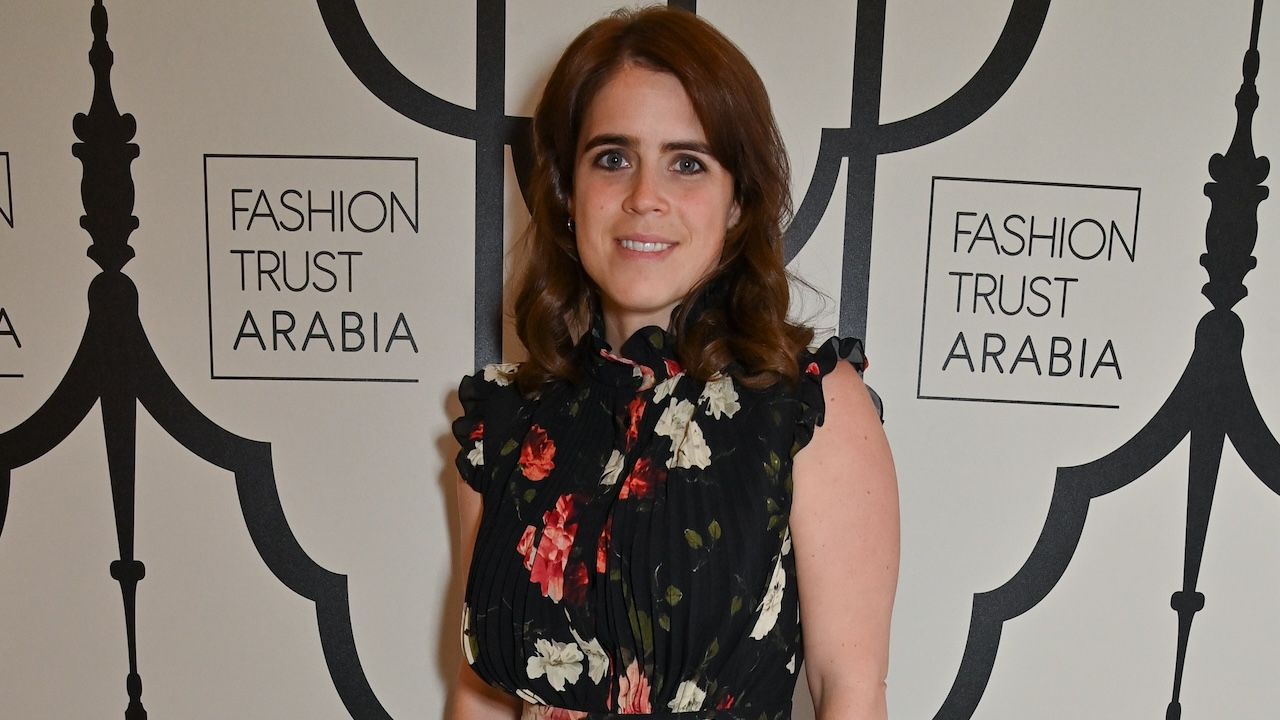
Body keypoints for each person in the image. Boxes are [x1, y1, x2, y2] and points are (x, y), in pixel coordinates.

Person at [449, 7, 897, 719]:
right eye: (612, 158)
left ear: (738, 203)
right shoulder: (504, 423)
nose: (644, 198)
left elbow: (851, 688)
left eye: (687, 163)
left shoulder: (806, 407)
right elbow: (481, 696)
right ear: (567, 193)